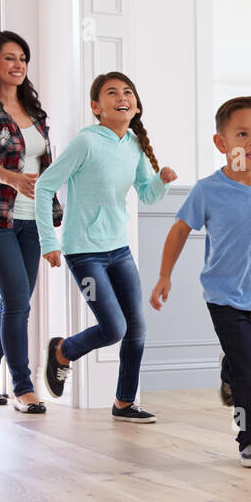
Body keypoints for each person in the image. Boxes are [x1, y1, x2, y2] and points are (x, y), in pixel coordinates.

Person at [149, 96, 251, 468]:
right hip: (224, 296)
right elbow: (179, 230)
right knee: (249, 373)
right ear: (221, 144)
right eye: (242, 134)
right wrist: (165, 275)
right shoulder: (207, 190)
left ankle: (230, 373)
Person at [36, 72, 177, 420]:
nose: (121, 97)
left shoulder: (133, 145)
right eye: (111, 93)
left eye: (127, 91)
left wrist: (162, 181)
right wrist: (48, 241)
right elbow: (44, 186)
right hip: (83, 251)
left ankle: (124, 403)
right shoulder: (86, 142)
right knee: (114, 328)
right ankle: (62, 351)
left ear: (136, 105)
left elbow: (146, 193)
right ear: (96, 107)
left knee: (137, 328)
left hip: (119, 248)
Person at [0, 31, 62, 414]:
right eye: (9, 58)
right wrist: (15, 178)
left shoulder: (35, 113)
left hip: (31, 220)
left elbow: (47, 167)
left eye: (23, 57)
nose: (18, 64)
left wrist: (51, 215)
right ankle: (23, 387)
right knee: (18, 302)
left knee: (14, 302)